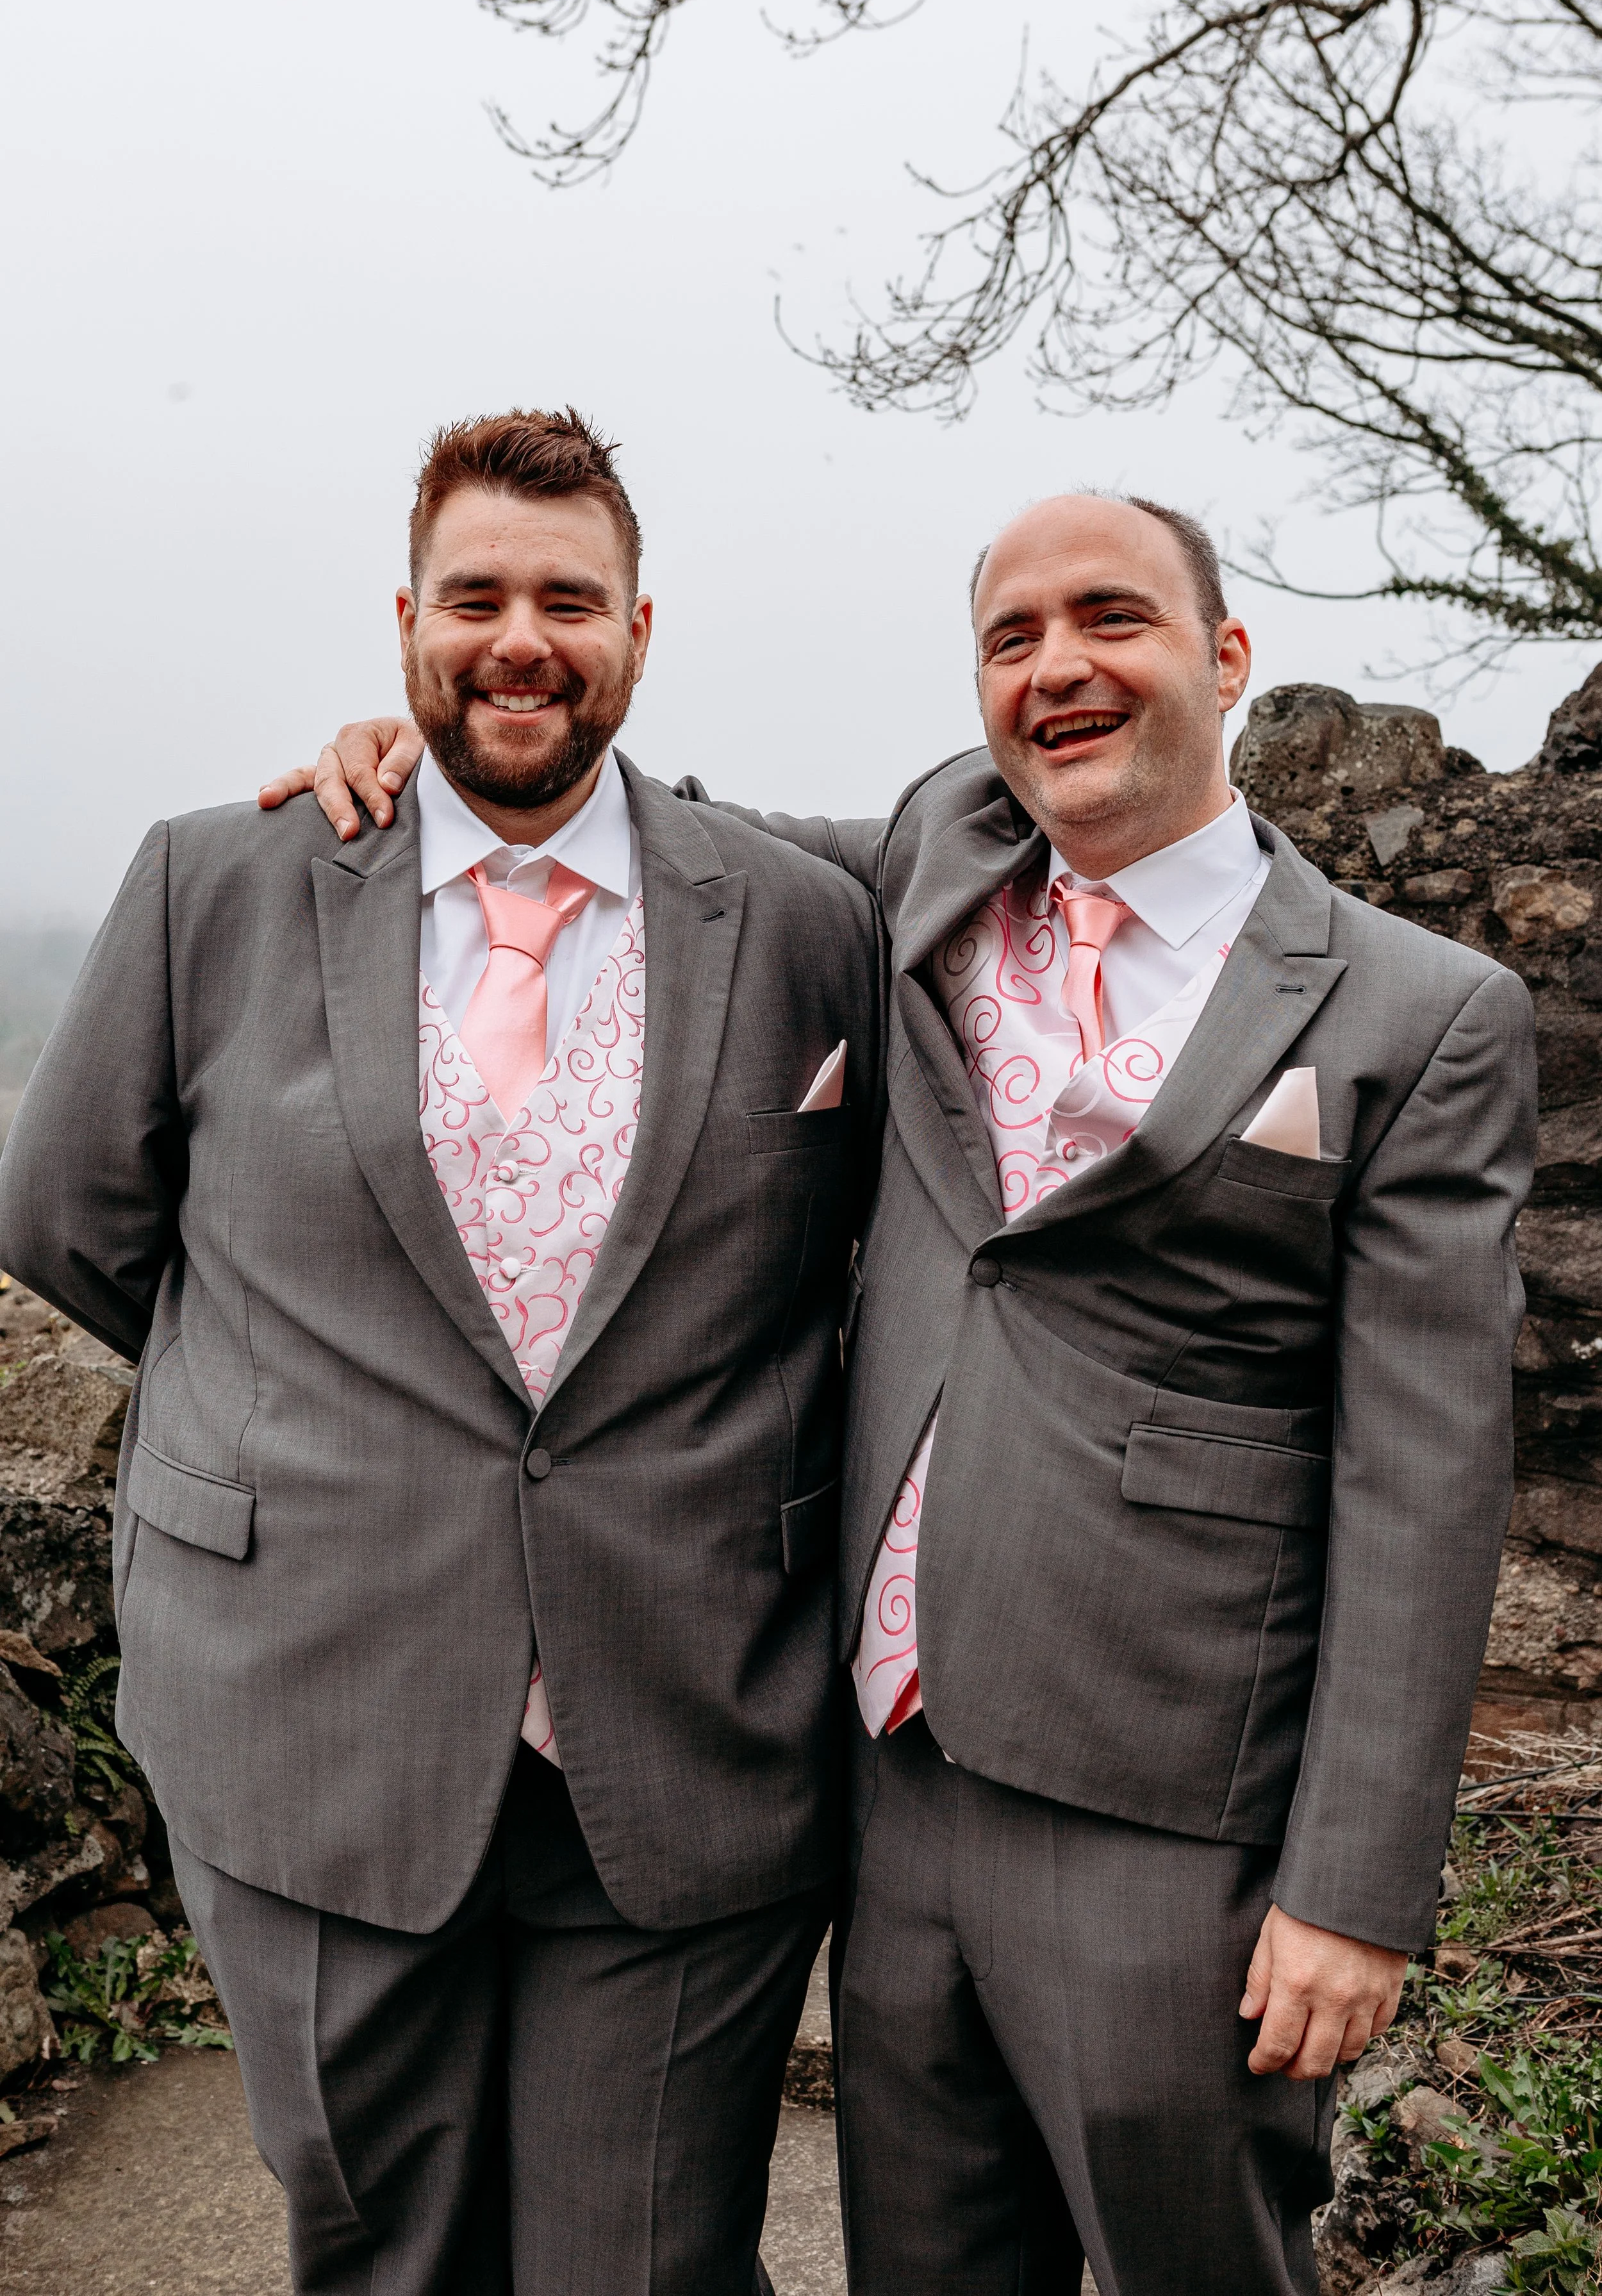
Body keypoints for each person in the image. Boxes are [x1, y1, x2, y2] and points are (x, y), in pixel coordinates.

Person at [271, 488, 1538, 2294]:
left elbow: (1425, 1482)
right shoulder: (921, 874)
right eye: (1008, 638)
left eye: (1110, 618)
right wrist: (437, 749)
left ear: (1227, 659)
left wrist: (1351, 1885)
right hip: (887, 1775)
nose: (1056, 668)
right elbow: (659, 835)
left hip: (1168, 1796)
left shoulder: (1422, 1011)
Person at [0, 409, 885, 2296]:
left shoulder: (806, 922)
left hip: (683, 1714)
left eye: (570, 597)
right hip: (308, 1703)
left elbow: (1012, 854)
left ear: (643, 628)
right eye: (476, 593)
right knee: (378, 2255)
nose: (520, 637)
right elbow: (68, 1219)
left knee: (643, 2265)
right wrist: (296, 1416)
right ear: (406, 617)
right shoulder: (210, 888)